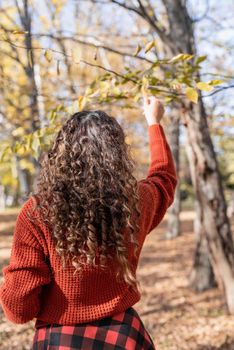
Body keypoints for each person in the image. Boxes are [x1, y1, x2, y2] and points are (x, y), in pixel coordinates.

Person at [0, 96, 177, 349]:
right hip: (123, 336)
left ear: (60, 154)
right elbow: (164, 177)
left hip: (59, 339)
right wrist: (153, 122)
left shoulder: (38, 212)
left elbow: (19, 309)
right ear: (117, 157)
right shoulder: (133, 203)